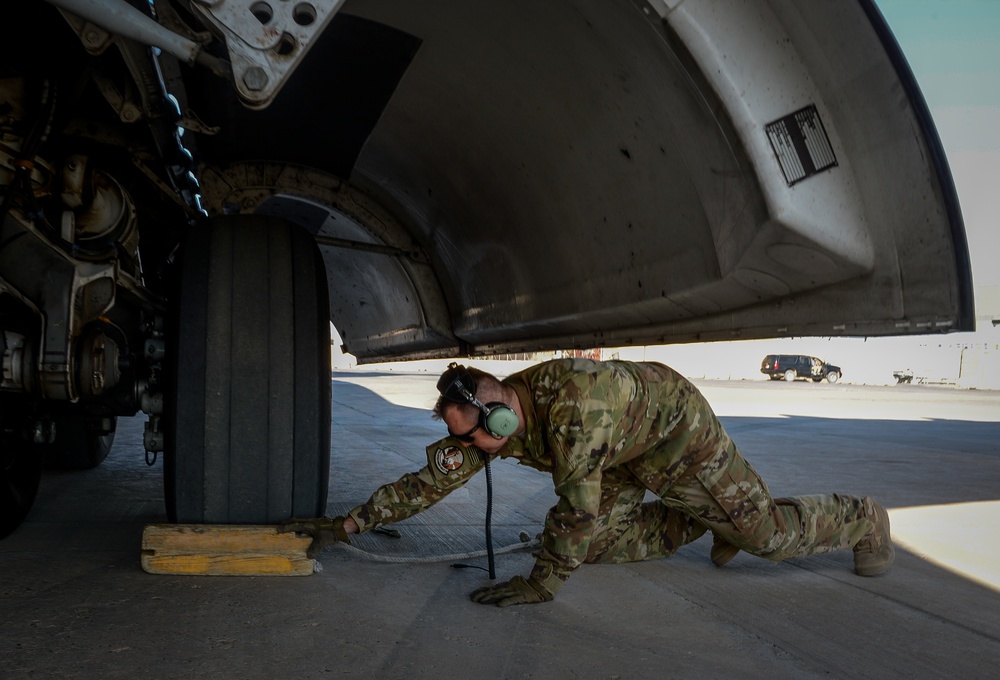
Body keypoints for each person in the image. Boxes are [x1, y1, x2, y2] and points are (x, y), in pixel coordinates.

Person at [283, 359, 893, 607]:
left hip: (678, 437)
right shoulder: (490, 421)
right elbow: (427, 483)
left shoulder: (574, 411)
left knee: (767, 538)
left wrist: (542, 584)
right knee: (595, 546)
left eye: (472, 439)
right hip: (621, 453)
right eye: (460, 439)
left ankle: (864, 518)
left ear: (499, 415)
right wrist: (352, 523)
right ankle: (706, 520)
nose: (466, 451)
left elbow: (575, 510)